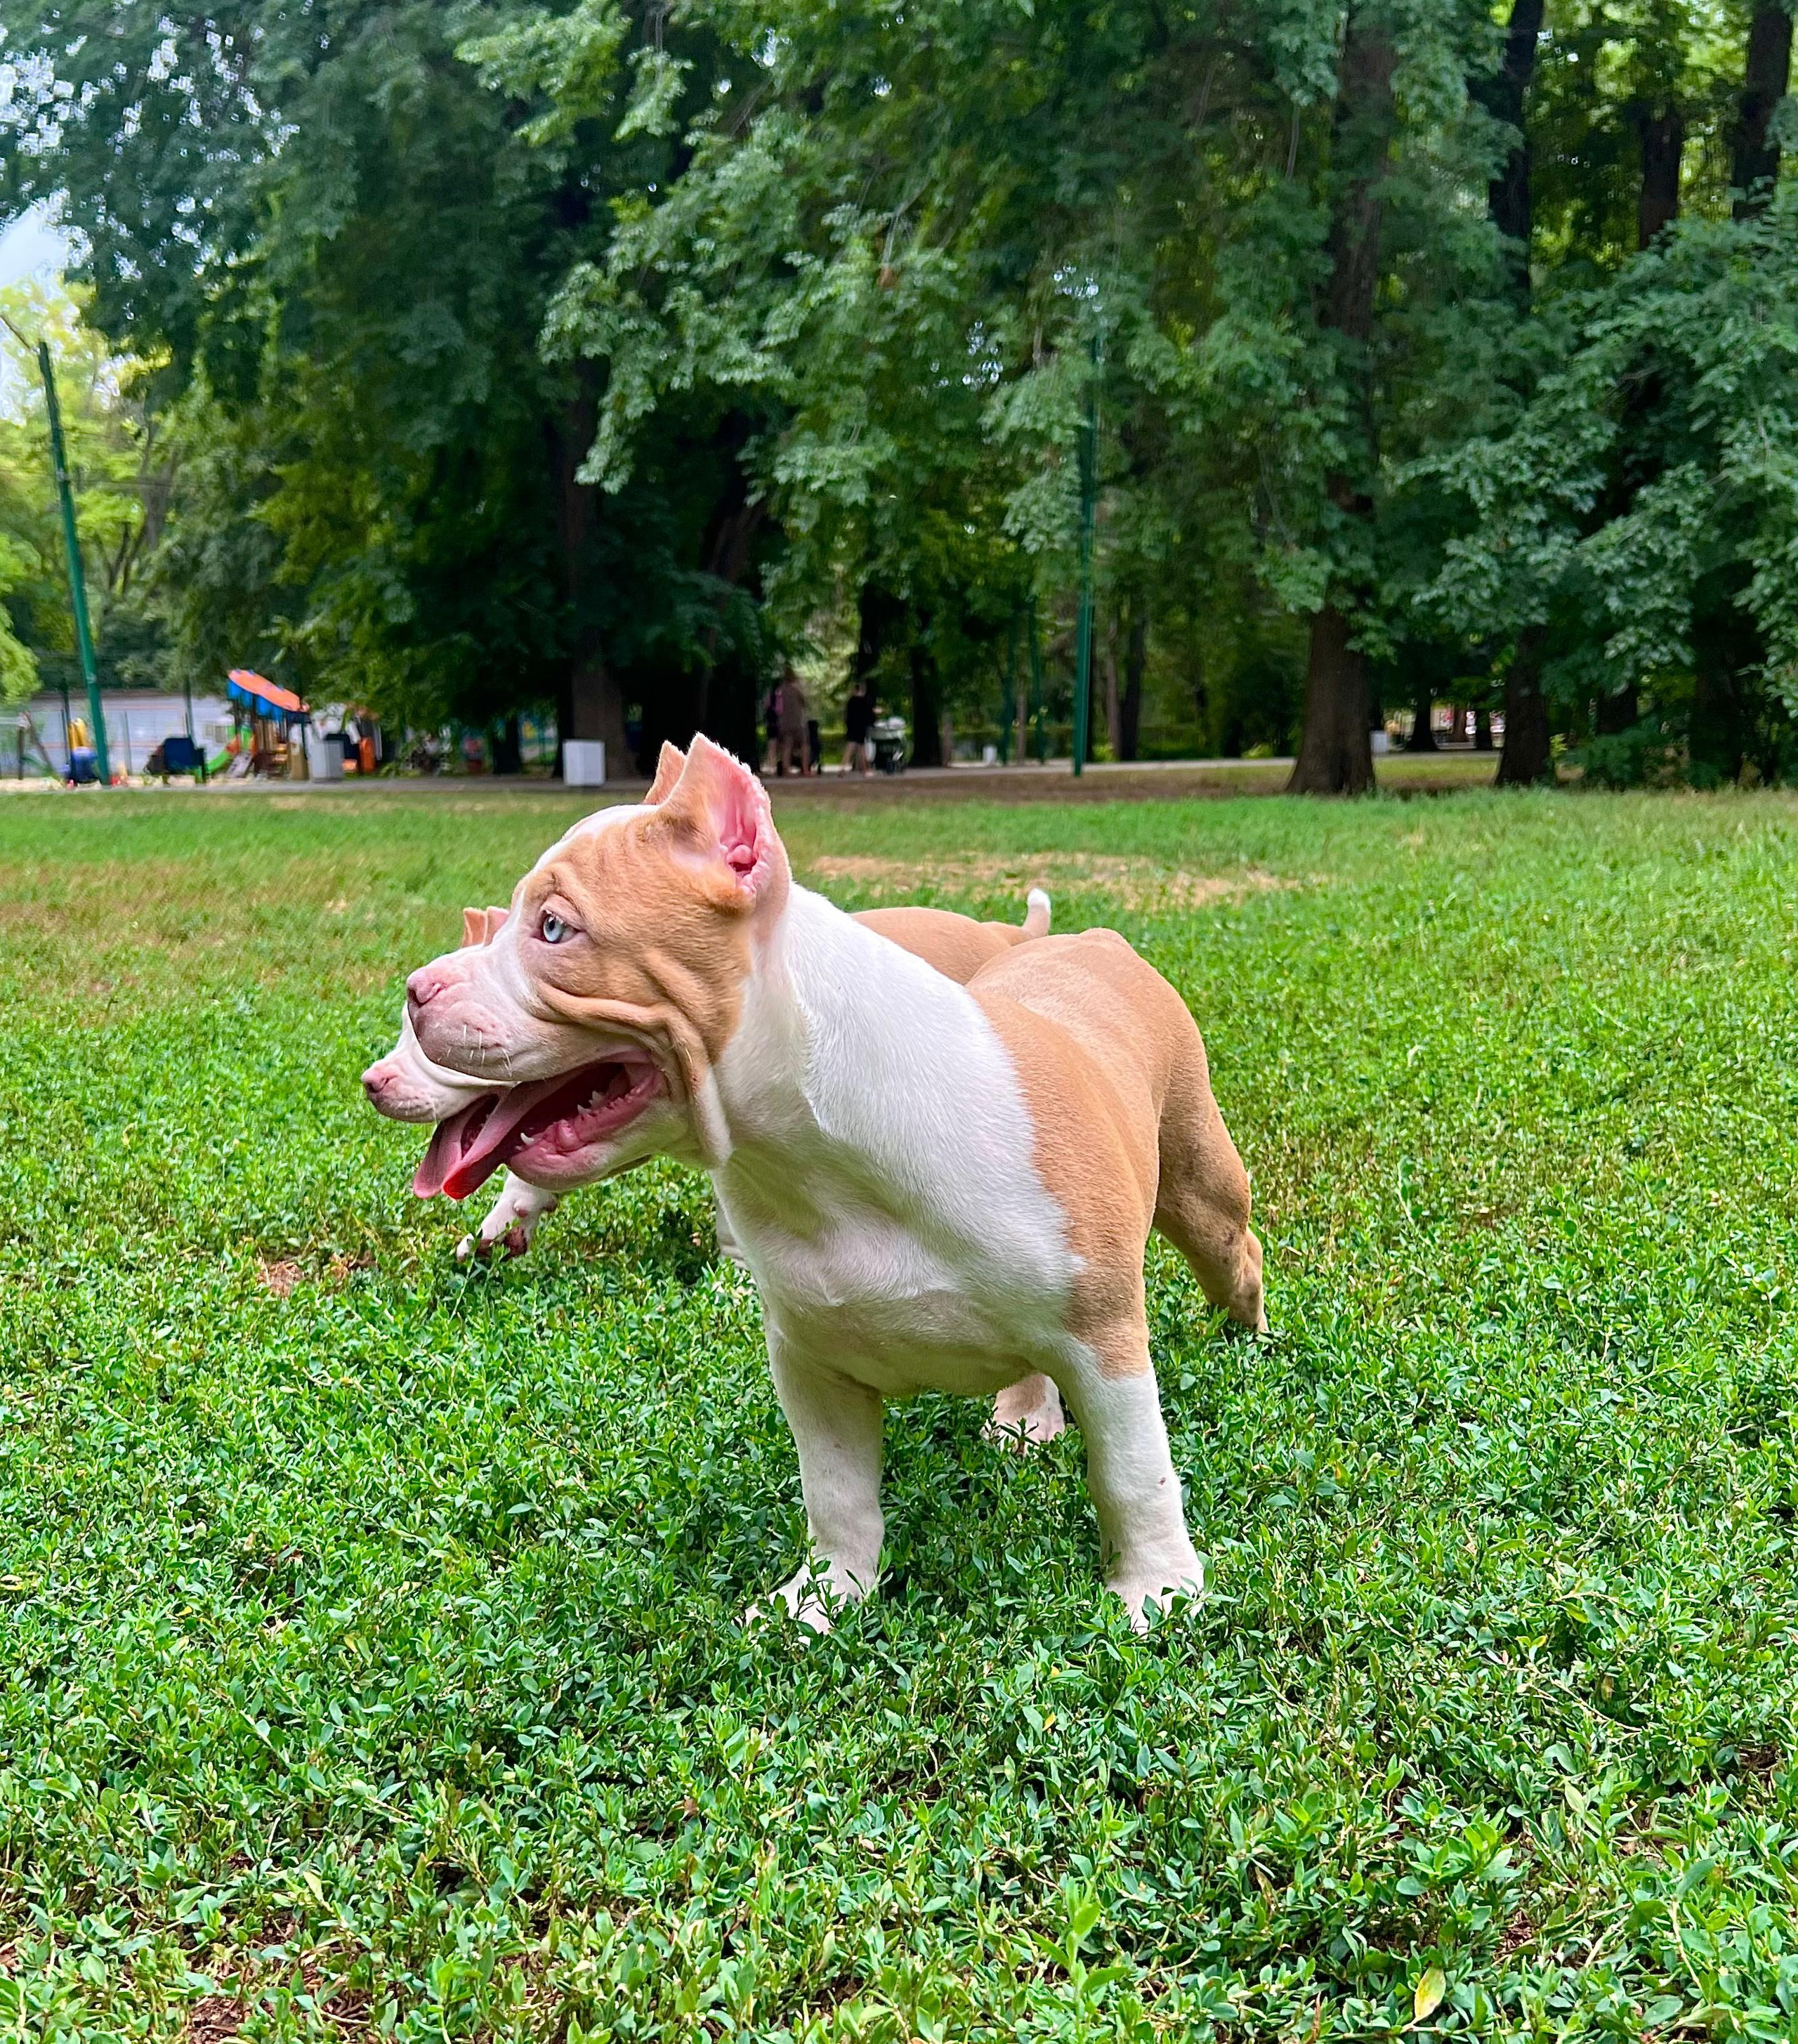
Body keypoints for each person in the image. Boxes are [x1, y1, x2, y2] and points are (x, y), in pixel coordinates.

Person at [778, 669, 810, 777]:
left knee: (787, 746)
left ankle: (786, 769)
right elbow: (804, 702)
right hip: (797, 722)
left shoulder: (781, 691)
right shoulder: (796, 690)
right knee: (804, 745)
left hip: (785, 722)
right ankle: (805, 769)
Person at [843, 679, 874, 776]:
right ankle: (865, 770)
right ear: (862, 690)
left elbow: (847, 715)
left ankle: (842, 769)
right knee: (862, 749)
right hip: (861, 728)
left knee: (849, 748)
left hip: (852, 727)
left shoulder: (850, 701)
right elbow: (869, 714)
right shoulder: (864, 701)